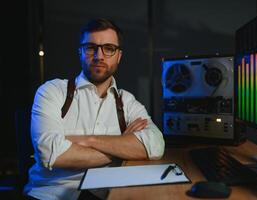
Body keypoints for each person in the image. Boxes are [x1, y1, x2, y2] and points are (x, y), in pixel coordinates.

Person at [24, 18, 165, 200]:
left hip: (106, 194)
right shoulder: (52, 91)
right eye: (91, 47)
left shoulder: (127, 101)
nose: (99, 56)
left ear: (118, 56)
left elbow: (155, 145)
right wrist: (121, 145)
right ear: (80, 52)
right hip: (50, 194)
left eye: (109, 48)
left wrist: (86, 140)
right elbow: (52, 154)